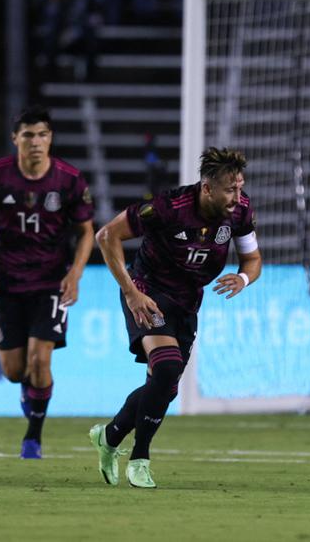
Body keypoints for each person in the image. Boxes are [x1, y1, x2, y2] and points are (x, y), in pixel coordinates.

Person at [88, 147, 261, 488]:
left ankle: (109, 436)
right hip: (147, 292)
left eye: (240, 187)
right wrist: (130, 292)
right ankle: (140, 457)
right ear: (207, 188)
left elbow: (253, 260)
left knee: (164, 386)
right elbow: (106, 235)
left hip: (187, 302)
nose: (237, 196)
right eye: (230, 188)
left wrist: (241, 278)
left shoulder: (240, 210)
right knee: (166, 367)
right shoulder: (167, 208)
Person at [0, 106, 95, 459]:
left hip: (52, 282)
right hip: (6, 282)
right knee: (13, 371)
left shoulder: (69, 180)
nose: (36, 142)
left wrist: (76, 273)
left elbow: (86, 232)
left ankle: (33, 436)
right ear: (15, 138)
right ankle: (31, 395)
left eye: (43, 135)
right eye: (29, 135)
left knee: (40, 361)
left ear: (50, 138)